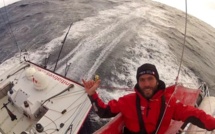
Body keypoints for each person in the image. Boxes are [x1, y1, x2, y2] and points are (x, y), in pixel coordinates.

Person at [82, 63, 215, 134]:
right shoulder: (128, 101)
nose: (146, 84)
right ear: (138, 83)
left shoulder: (170, 103)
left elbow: (194, 114)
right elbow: (104, 111)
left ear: (157, 81)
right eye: (142, 80)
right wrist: (92, 94)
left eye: (150, 79)